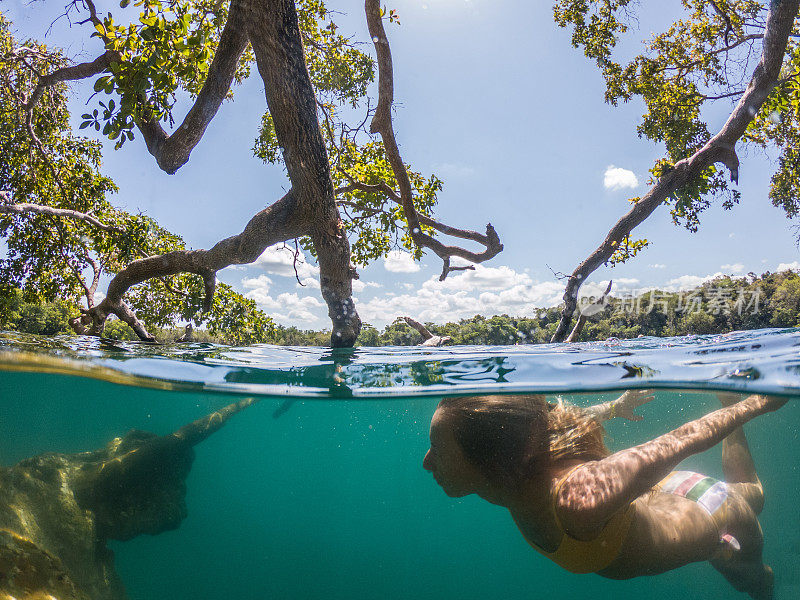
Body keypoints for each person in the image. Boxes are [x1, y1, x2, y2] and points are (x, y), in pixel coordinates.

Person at [422, 390, 786, 599]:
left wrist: (759, 402)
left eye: (438, 448)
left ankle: (731, 402)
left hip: (712, 512)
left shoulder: (577, 501)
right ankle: (727, 400)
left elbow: (682, 439)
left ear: (491, 460)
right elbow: (544, 420)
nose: (427, 463)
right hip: (669, 496)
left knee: (754, 582)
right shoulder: (527, 457)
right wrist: (612, 407)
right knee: (749, 493)